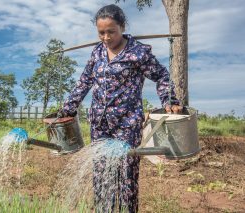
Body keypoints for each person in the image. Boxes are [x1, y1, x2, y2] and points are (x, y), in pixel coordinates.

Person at [60, 4, 182, 213]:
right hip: (100, 125)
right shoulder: (97, 52)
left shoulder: (138, 53)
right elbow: (84, 82)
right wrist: (68, 108)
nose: (106, 37)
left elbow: (161, 75)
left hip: (127, 125)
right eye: (101, 32)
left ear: (122, 27)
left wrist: (169, 99)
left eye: (111, 32)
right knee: (101, 174)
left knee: (126, 175)